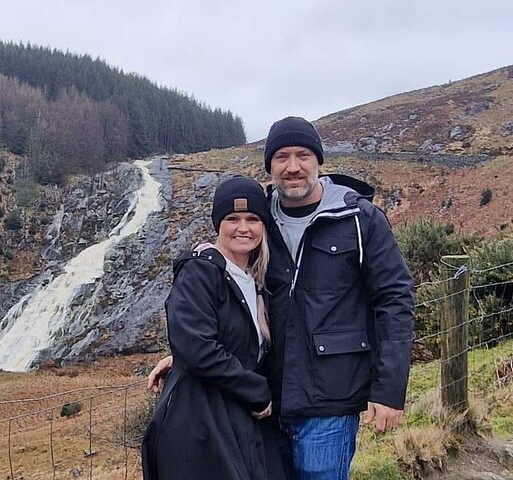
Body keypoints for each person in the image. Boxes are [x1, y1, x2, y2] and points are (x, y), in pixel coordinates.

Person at [149, 117, 415, 480]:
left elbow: (395, 301)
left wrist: (389, 389)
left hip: (329, 402)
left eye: (303, 155)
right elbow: (236, 299)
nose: (293, 167)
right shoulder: (260, 219)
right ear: (270, 166)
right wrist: (186, 355)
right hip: (266, 404)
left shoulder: (359, 219)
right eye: (281, 157)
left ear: (319, 160)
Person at [141, 176, 288, 480]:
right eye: (232, 219)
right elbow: (197, 347)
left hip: (239, 420)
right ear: (218, 223)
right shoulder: (200, 272)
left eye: (253, 219)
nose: (243, 228)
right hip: (200, 427)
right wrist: (257, 391)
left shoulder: (256, 280)